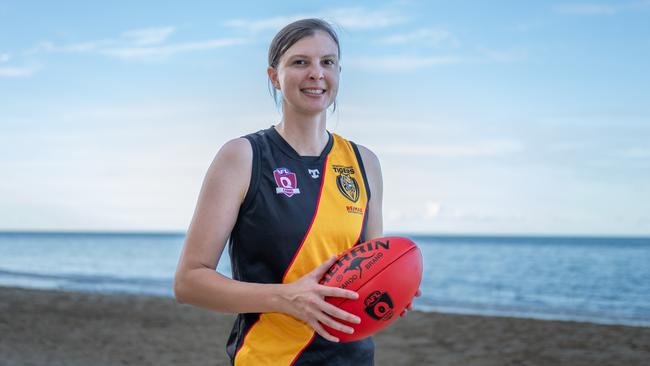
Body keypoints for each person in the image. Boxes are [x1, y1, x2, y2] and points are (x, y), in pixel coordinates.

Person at [174, 18, 416, 365]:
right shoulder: (243, 156)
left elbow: (368, 269)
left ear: (339, 72)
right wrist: (285, 297)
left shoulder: (365, 162)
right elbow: (189, 282)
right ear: (274, 76)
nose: (316, 73)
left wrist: (393, 288)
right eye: (300, 62)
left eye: (327, 62)